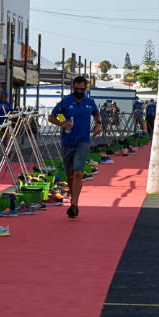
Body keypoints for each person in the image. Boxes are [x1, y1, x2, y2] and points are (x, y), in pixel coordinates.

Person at [49, 75, 98, 218]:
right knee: (70, 176)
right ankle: (73, 199)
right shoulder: (66, 102)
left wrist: (98, 124)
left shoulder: (89, 102)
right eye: (76, 89)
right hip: (67, 141)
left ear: (85, 89)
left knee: (78, 173)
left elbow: (96, 113)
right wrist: (63, 123)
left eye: (82, 89)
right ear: (73, 88)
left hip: (83, 141)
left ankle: (74, 204)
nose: (79, 91)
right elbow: (53, 116)